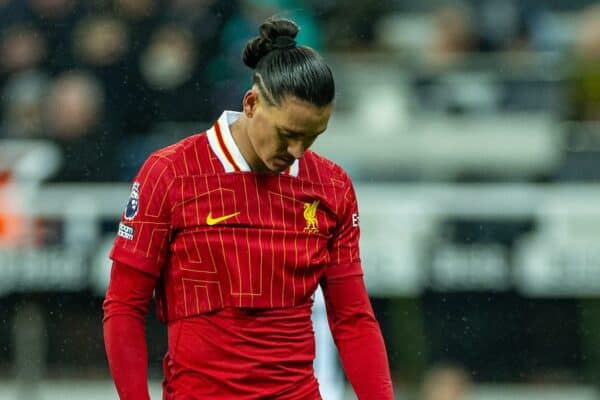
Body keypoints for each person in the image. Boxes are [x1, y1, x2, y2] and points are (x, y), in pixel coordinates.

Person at [103, 17, 394, 399]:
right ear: (252, 103)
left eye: (312, 137)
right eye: (287, 134)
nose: (296, 151)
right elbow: (124, 306)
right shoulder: (172, 174)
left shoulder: (331, 186)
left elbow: (353, 319)